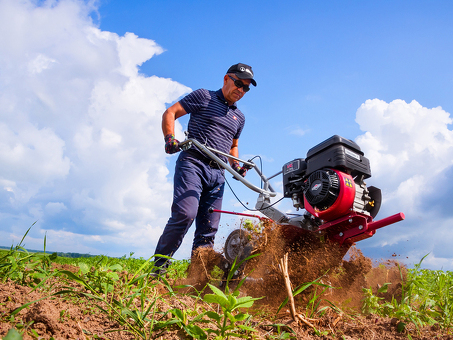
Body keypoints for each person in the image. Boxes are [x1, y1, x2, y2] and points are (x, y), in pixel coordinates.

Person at [153, 63, 257, 273]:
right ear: (226, 79)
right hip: (193, 163)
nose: (241, 90)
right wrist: (169, 138)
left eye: (246, 88)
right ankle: (158, 268)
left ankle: (196, 278)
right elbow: (170, 112)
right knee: (185, 213)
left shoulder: (240, 118)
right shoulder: (204, 96)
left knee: (208, 229)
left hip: (218, 174)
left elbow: (233, 145)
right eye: (238, 84)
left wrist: (235, 165)